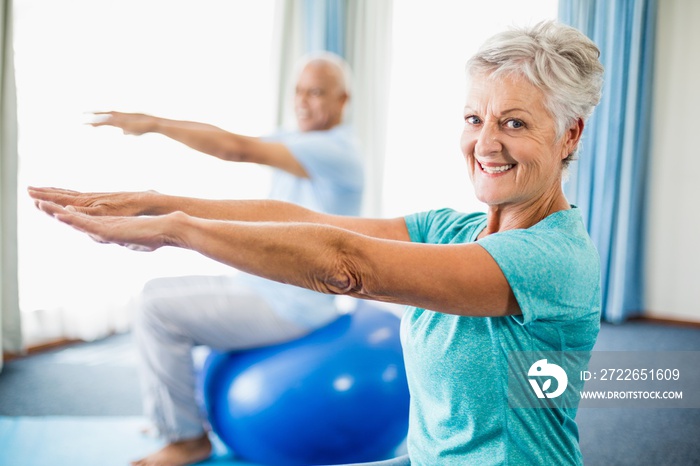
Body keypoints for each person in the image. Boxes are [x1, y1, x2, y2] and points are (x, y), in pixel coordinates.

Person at [30, 21, 604, 466]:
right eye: (474, 118)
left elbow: (347, 264)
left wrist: (178, 231)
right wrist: (159, 201)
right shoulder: (452, 228)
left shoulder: (552, 258)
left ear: (569, 133)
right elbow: (298, 216)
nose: (485, 142)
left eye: (515, 124)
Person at [79, 51, 364, 466]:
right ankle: (177, 416)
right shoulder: (298, 140)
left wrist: (155, 124)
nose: (303, 101)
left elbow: (235, 149)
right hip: (258, 285)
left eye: (317, 92)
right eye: (299, 91)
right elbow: (233, 141)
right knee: (153, 291)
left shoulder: (336, 152)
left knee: (156, 310)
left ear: (343, 100)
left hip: (293, 305)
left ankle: (186, 438)